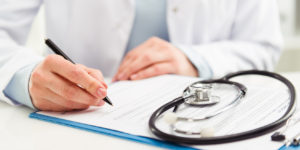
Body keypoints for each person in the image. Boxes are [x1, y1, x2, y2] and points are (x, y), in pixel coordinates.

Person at [0, 0, 282, 111]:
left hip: (205, 122)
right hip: (80, 122)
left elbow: (262, 45)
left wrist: (194, 59)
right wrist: (25, 76)